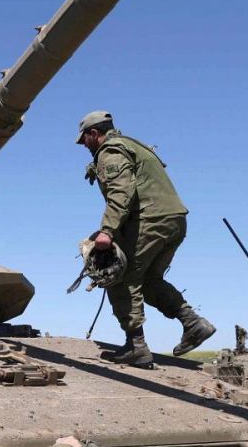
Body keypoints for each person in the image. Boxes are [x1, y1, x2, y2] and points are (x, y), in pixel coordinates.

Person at [78, 110, 215, 367]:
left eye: (84, 139)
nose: (83, 145)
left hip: (149, 221)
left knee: (118, 276)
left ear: (94, 133)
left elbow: (121, 191)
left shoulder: (111, 151)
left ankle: (136, 346)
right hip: (173, 221)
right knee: (149, 280)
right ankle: (194, 324)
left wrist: (107, 231)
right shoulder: (133, 145)